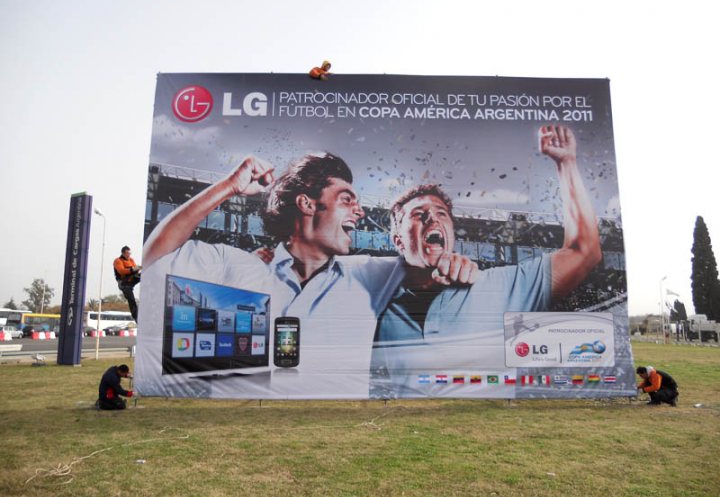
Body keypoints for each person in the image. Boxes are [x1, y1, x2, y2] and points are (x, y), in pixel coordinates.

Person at [141, 152, 473, 397]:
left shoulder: (370, 276)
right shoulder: (242, 267)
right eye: (347, 199)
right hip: (241, 443)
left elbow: (424, 266)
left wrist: (453, 263)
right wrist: (229, 186)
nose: (359, 211)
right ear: (307, 204)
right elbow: (155, 257)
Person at [370, 125, 602, 397]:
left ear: (453, 234)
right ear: (398, 240)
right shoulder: (380, 309)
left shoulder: (502, 285)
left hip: (486, 430)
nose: (432, 218)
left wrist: (567, 163)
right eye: (418, 213)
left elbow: (585, 251)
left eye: (441, 214)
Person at [113, 246, 141, 321]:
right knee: (131, 299)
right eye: (127, 253)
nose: (129, 255)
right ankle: (136, 318)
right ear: (123, 253)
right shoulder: (118, 261)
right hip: (124, 283)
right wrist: (132, 269)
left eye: (130, 253)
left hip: (132, 279)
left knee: (144, 274)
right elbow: (121, 271)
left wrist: (137, 268)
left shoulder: (131, 260)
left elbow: (136, 269)